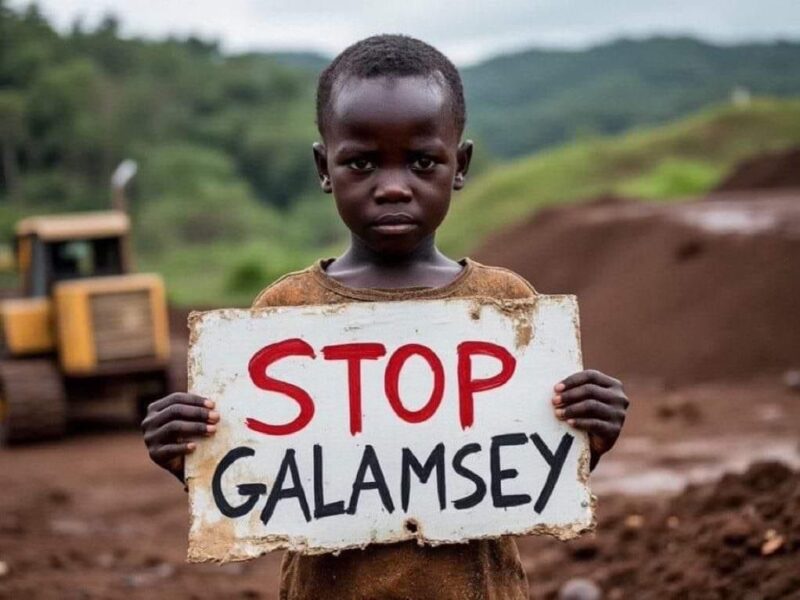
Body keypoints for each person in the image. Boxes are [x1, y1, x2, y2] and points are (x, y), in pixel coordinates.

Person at [142, 34, 629, 599]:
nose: (393, 186)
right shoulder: (284, 314)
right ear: (325, 168)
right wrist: (192, 458)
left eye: (423, 161)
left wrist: (592, 433)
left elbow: (531, 466)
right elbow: (260, 484)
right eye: (362, 163)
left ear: (460, 165)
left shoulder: (506, 303)